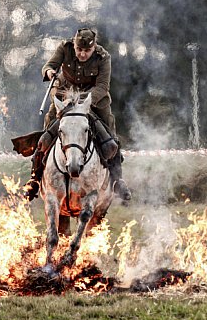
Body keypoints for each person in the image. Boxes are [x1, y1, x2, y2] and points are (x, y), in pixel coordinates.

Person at [23, 28, 132, 201]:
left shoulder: (103, 58)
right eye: (79, 49)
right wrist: (49, 72)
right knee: (46, 134)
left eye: (87, 51)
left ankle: (117, 180)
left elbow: (102, 87)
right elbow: (49, 66)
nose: (82, 54)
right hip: (65, 97)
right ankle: (35, 178)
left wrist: (83, 102)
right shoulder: (64, 48)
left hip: (94, 100)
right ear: (74, 45)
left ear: (94, 47)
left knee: (110, 138)